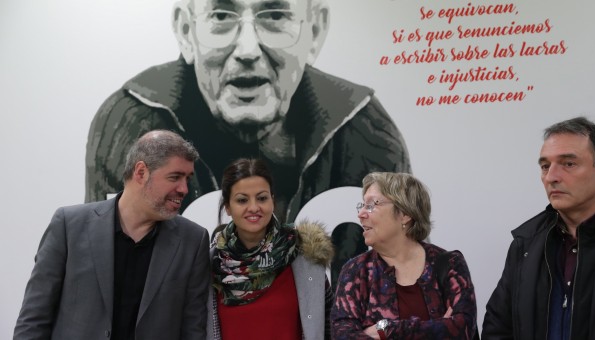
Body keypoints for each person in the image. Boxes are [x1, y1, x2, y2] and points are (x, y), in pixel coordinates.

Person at [85, 0, 411, 222]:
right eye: (222, 16)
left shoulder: (362, 130)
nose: (247, 50)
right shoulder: (132, 120)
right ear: (186, 31)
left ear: (315, 30)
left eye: (274, 15)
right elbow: (111, 267)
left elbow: (389, 271)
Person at [14, 130, 210, 340]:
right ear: (141, 172)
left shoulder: (193, 240)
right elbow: (34, 317)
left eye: (187, 179)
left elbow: (193, 329)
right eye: (175, 177)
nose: (184, 189)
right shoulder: (69, 225)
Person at [482, 117, 595, 339]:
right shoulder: (525, 244)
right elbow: (497, 329)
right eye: (545, 166)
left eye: (568, 164)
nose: (551, 177)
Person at [331, 172, 478, 339]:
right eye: (362, 205)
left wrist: (385, 329)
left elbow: (462, 329)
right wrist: (437, 327)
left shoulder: (449, 264)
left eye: (372, 205)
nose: (361, 214)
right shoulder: (355, 271)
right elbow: (342, 335)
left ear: (404, 214)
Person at [207, 158, 334, 339]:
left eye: (262, 198)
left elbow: (329, 326)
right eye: (242, 200)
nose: (254, 207)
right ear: (228, 207)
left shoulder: (305, 258)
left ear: (272, 201)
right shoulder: (210, 265)